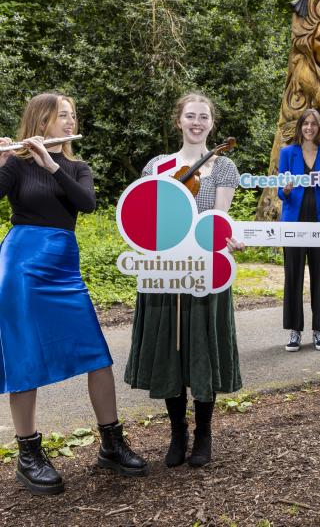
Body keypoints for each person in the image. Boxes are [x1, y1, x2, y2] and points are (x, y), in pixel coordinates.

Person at [0, 92, 147, 496]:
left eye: (72, 115)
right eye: (62, 115)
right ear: (40, 121)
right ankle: (28, 454)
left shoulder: (77, 167)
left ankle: (111, 444)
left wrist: (52, 165)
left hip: (63, 267)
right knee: (24, 356)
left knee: (95, 354)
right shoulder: (15, 165)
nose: (69, 121)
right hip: (23, 266)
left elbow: (86, 203)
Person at [125, 92, 244, 469]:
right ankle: (177, 431)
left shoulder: (223, 168)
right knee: (170, 352)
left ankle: (204, 433)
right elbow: (144, 219)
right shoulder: (157, 166)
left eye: (203, 117)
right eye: (190, 116)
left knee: (202, 348)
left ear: (212, 124)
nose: (196, 122)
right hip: (165, 272)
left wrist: (230, 237)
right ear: (179, 121)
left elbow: (217, 220)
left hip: (204, 271)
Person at [277, 108, 320, 352]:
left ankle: (318, 330)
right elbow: (282, 192)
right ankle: (295, 331)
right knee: (293, 277)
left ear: (319, 127)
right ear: (300, 126)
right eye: (305, 123)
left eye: (314, 124)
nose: (309, 128)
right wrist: (288, 188)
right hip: (294, 222)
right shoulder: (287, 153)